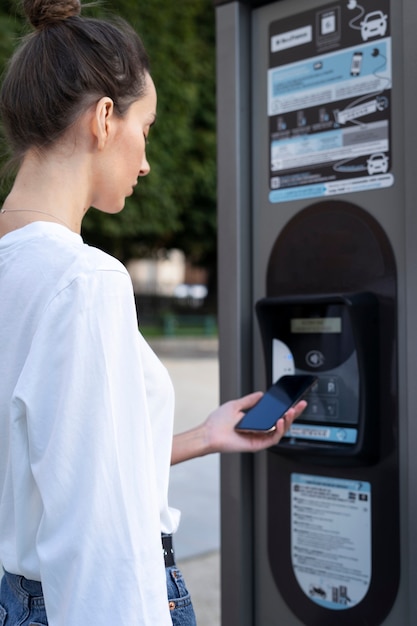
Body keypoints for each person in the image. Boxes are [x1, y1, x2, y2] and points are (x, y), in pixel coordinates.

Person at [0, 1, 306, 625]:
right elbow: (97, 537)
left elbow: (45, 466)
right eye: (148, 129)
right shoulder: (83, 281)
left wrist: (203, 437)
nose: (146, 163)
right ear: (104, 119)